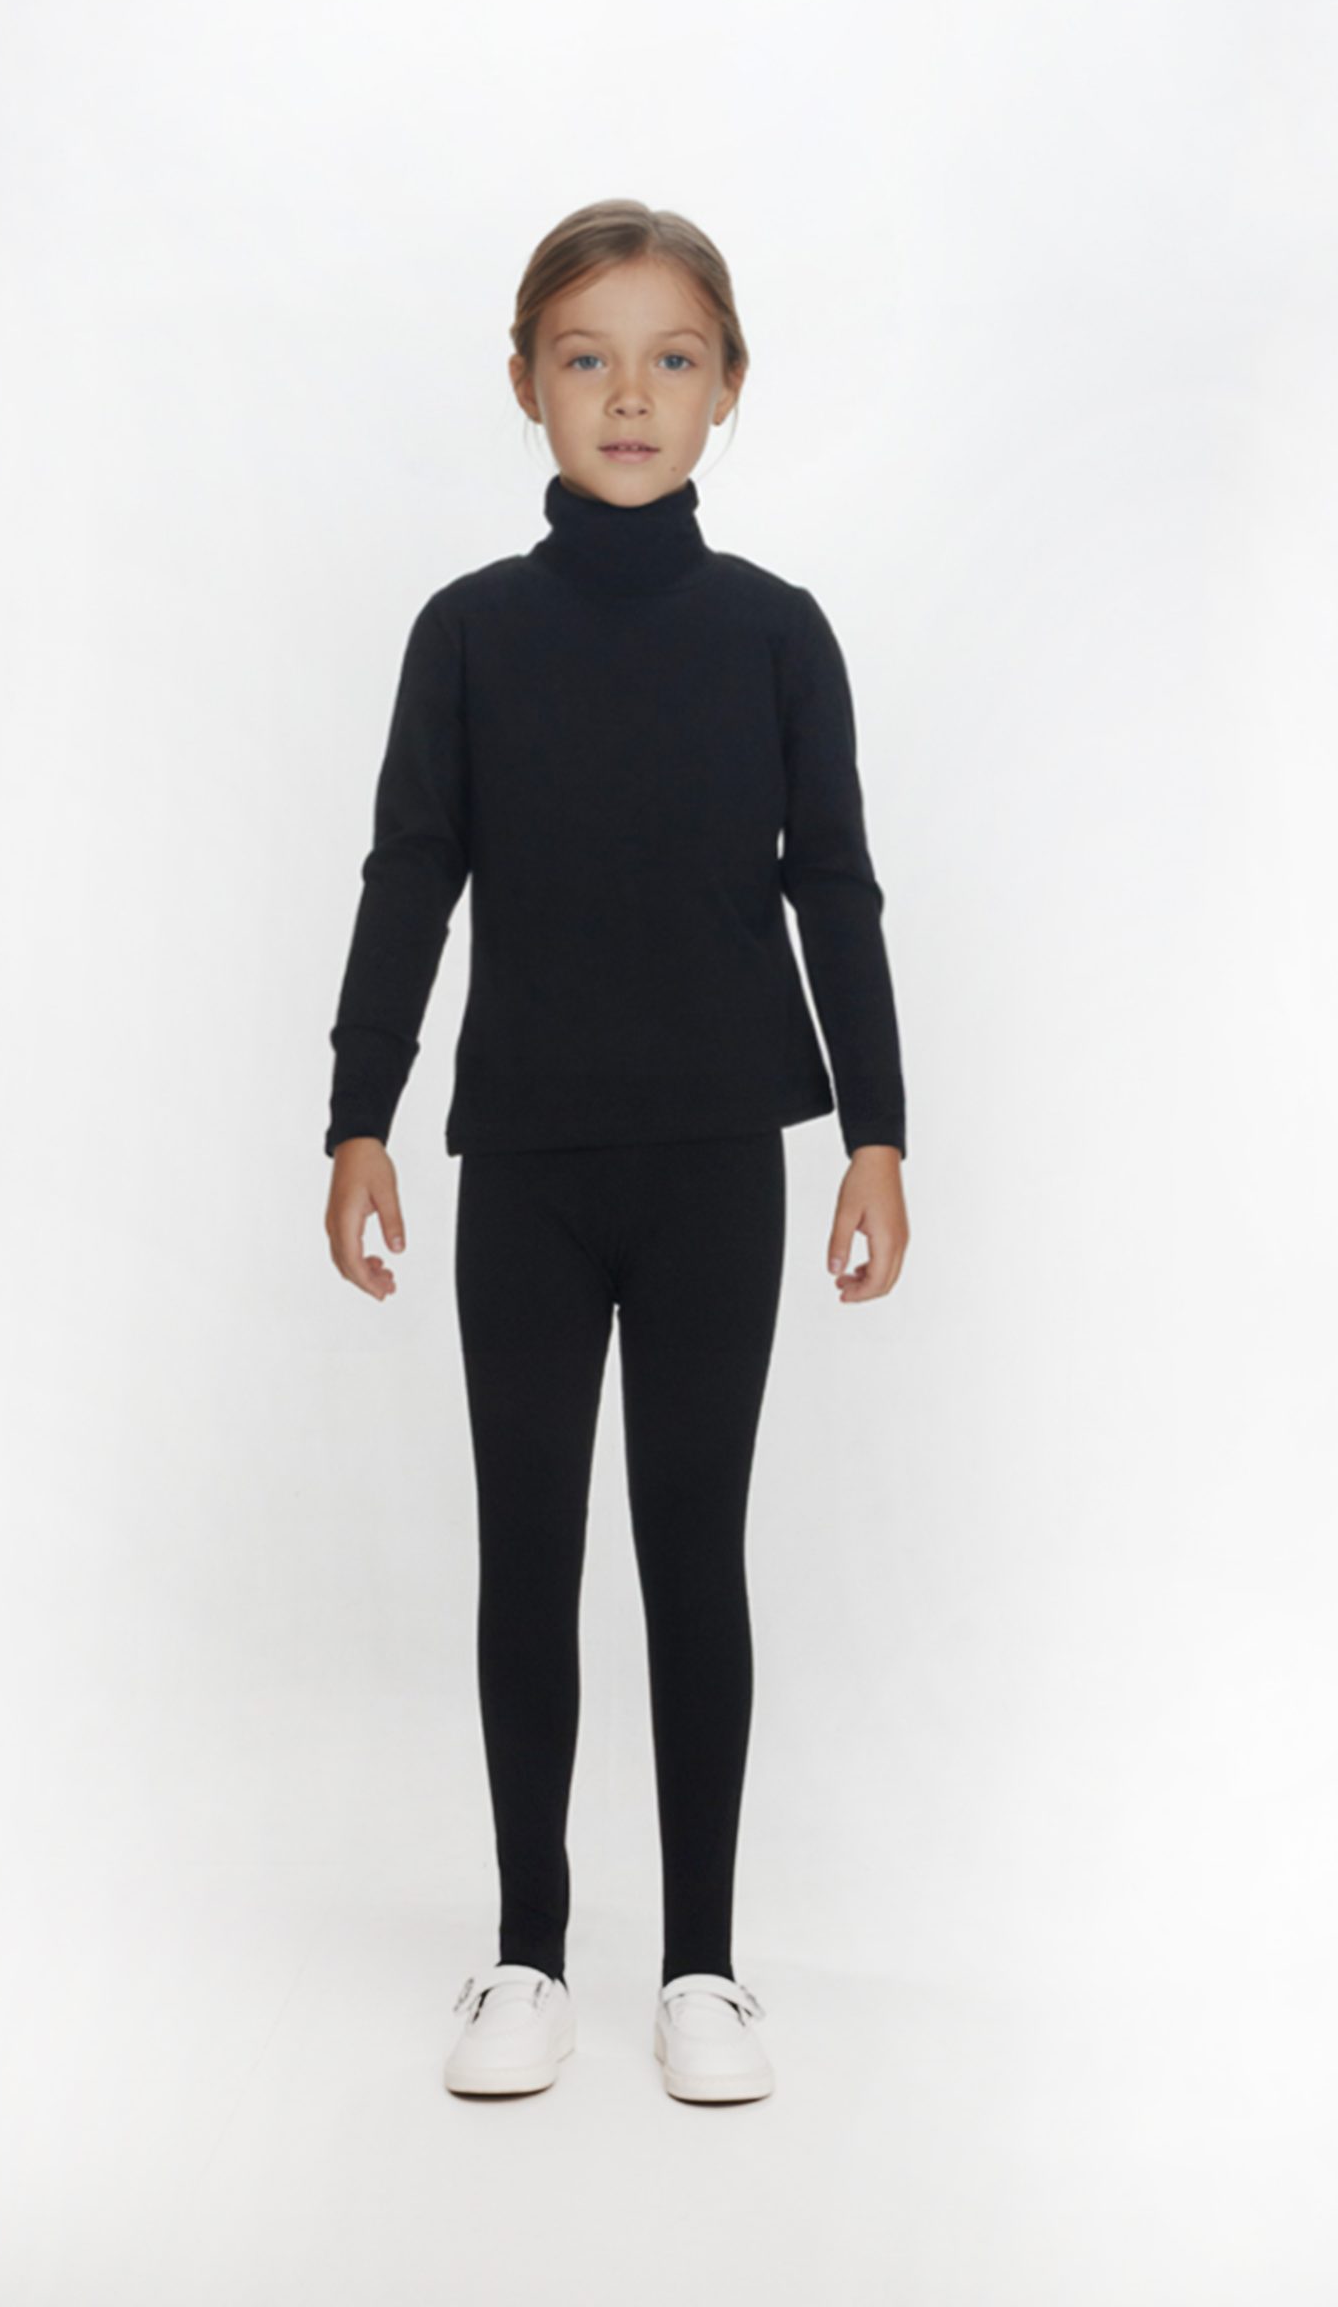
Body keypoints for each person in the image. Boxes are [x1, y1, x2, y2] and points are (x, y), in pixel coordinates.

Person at [323, 199, 909, 2103]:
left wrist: (877, 1136)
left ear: (729, 388)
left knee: (689, 1552)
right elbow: (412, 877)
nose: (630, 395)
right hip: (529, 1172)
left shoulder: (778, 637)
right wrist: (359, 1115)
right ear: (526, 384)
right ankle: (525, 1955)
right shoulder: (469, 635)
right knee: (529, 1550)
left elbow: (837, 891)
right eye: (588, 358)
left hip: (720, 1165)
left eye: (672, 359)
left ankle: (706, 1970)